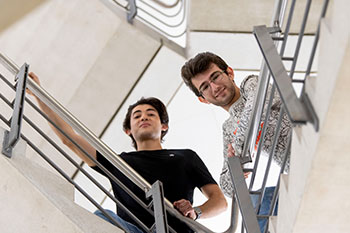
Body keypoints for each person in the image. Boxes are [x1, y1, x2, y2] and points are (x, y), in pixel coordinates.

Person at [27, 72, 227, 233]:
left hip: (175, 230)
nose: (143, 118)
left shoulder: (185, 157)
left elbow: (219, 201)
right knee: (103, 216)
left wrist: (196, 212)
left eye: (151, 114)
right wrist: (39, 95)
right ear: (128, 130)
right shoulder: (119, 162)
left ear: (164, 126)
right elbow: (68, 139)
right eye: (137, 116)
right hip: (132, 231)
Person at [181, 52, 292, 232]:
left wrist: (239, 149)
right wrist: (236, 168)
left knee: (262, 203)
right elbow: (227, 185)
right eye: (205, 87)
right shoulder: (228, 129)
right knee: (258, 204)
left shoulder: (251, 83)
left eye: (215, 76)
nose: (215, 87)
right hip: (296, 169)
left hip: (311, 143)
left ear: (230, 73)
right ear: (203, 99)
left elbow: (256, 108)